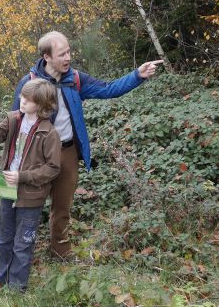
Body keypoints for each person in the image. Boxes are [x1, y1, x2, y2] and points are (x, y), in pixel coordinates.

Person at [13, 31, 162, 259]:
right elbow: (16, 121)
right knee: (29, 207)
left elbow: (107, 89)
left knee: (62, 208)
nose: (68, 57)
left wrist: (137, 75)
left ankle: (60, 252)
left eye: (69, 52)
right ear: (47, 56)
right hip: (38, 157)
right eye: (62, 54)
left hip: (68, 152)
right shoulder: (30, 84)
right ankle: (22, 255)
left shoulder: (75, 80)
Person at [0, 79, 61, 291]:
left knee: (23, 244)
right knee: (3, 239)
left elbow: (53, 168)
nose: (22, 100)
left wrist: (23, 176)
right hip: (7, 189)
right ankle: (2, 280)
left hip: (30, 194)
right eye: (22, 96)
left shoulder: (49, 133)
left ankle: (17, 288)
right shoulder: (13, 120)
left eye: (28, 99)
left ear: (43, 104)